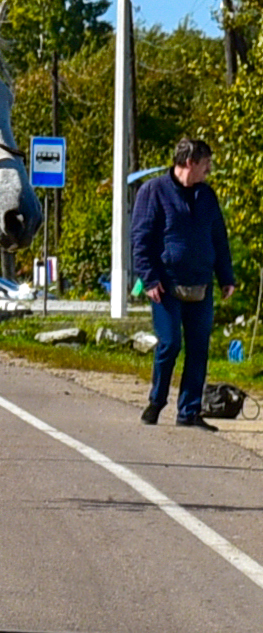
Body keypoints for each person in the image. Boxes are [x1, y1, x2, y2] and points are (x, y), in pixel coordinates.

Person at [130, 135, 235, 427]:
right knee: (170, 343)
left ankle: (189, 412)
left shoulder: (207, 196)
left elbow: (219, 238)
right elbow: (140, 239)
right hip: (166, 285)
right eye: (205, 164)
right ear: (189, 163)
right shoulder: (154, 192)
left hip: (201, 282)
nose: (208, 171)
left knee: (199, 347)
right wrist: (149, 278)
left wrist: (226, 276)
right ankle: (156, 402)